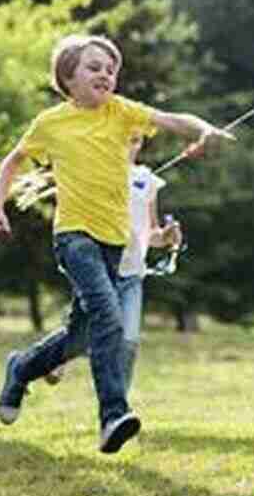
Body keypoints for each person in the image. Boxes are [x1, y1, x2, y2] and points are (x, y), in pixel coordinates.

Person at [0, 34, 231, 454]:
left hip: (115, 242)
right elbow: (12, 162)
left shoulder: (122, 112)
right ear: (68, 77)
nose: (106, 74)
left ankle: (21, 367)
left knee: (80, 338)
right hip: (74, 236)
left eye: (111, 69)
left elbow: (173, 119)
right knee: (109, 317)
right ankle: (113, 415)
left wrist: (205, 129)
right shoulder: (51, 123)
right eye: (95, 67)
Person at [43, 133, 183, 391]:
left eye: (135, 140)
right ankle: (50, 359)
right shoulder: (96, 173)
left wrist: (167, 235)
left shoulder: (146, 180)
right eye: (124, 138)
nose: (129, 145)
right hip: (99, 268)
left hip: (131, 274)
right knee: (81, 336)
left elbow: (151, 234)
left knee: (128, 341)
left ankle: (118, 411)